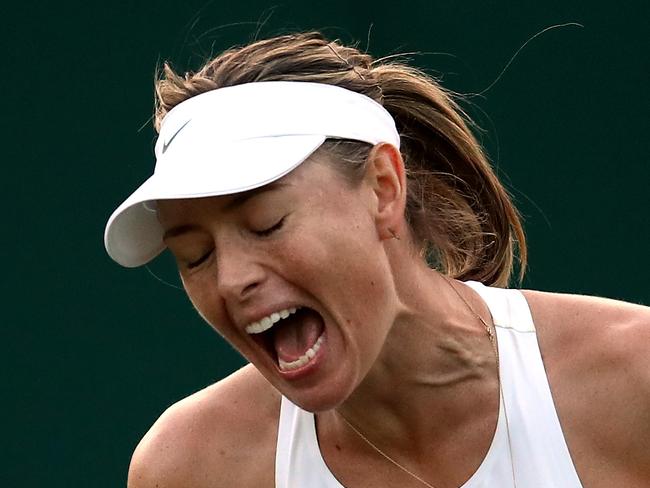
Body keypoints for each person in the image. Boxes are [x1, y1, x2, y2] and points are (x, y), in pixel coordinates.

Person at [104, 32, 650, 488]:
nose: (231, 280)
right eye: (195, 256)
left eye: (267, 223)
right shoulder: (189, 469)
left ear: (383, 189)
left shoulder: (635, 377)